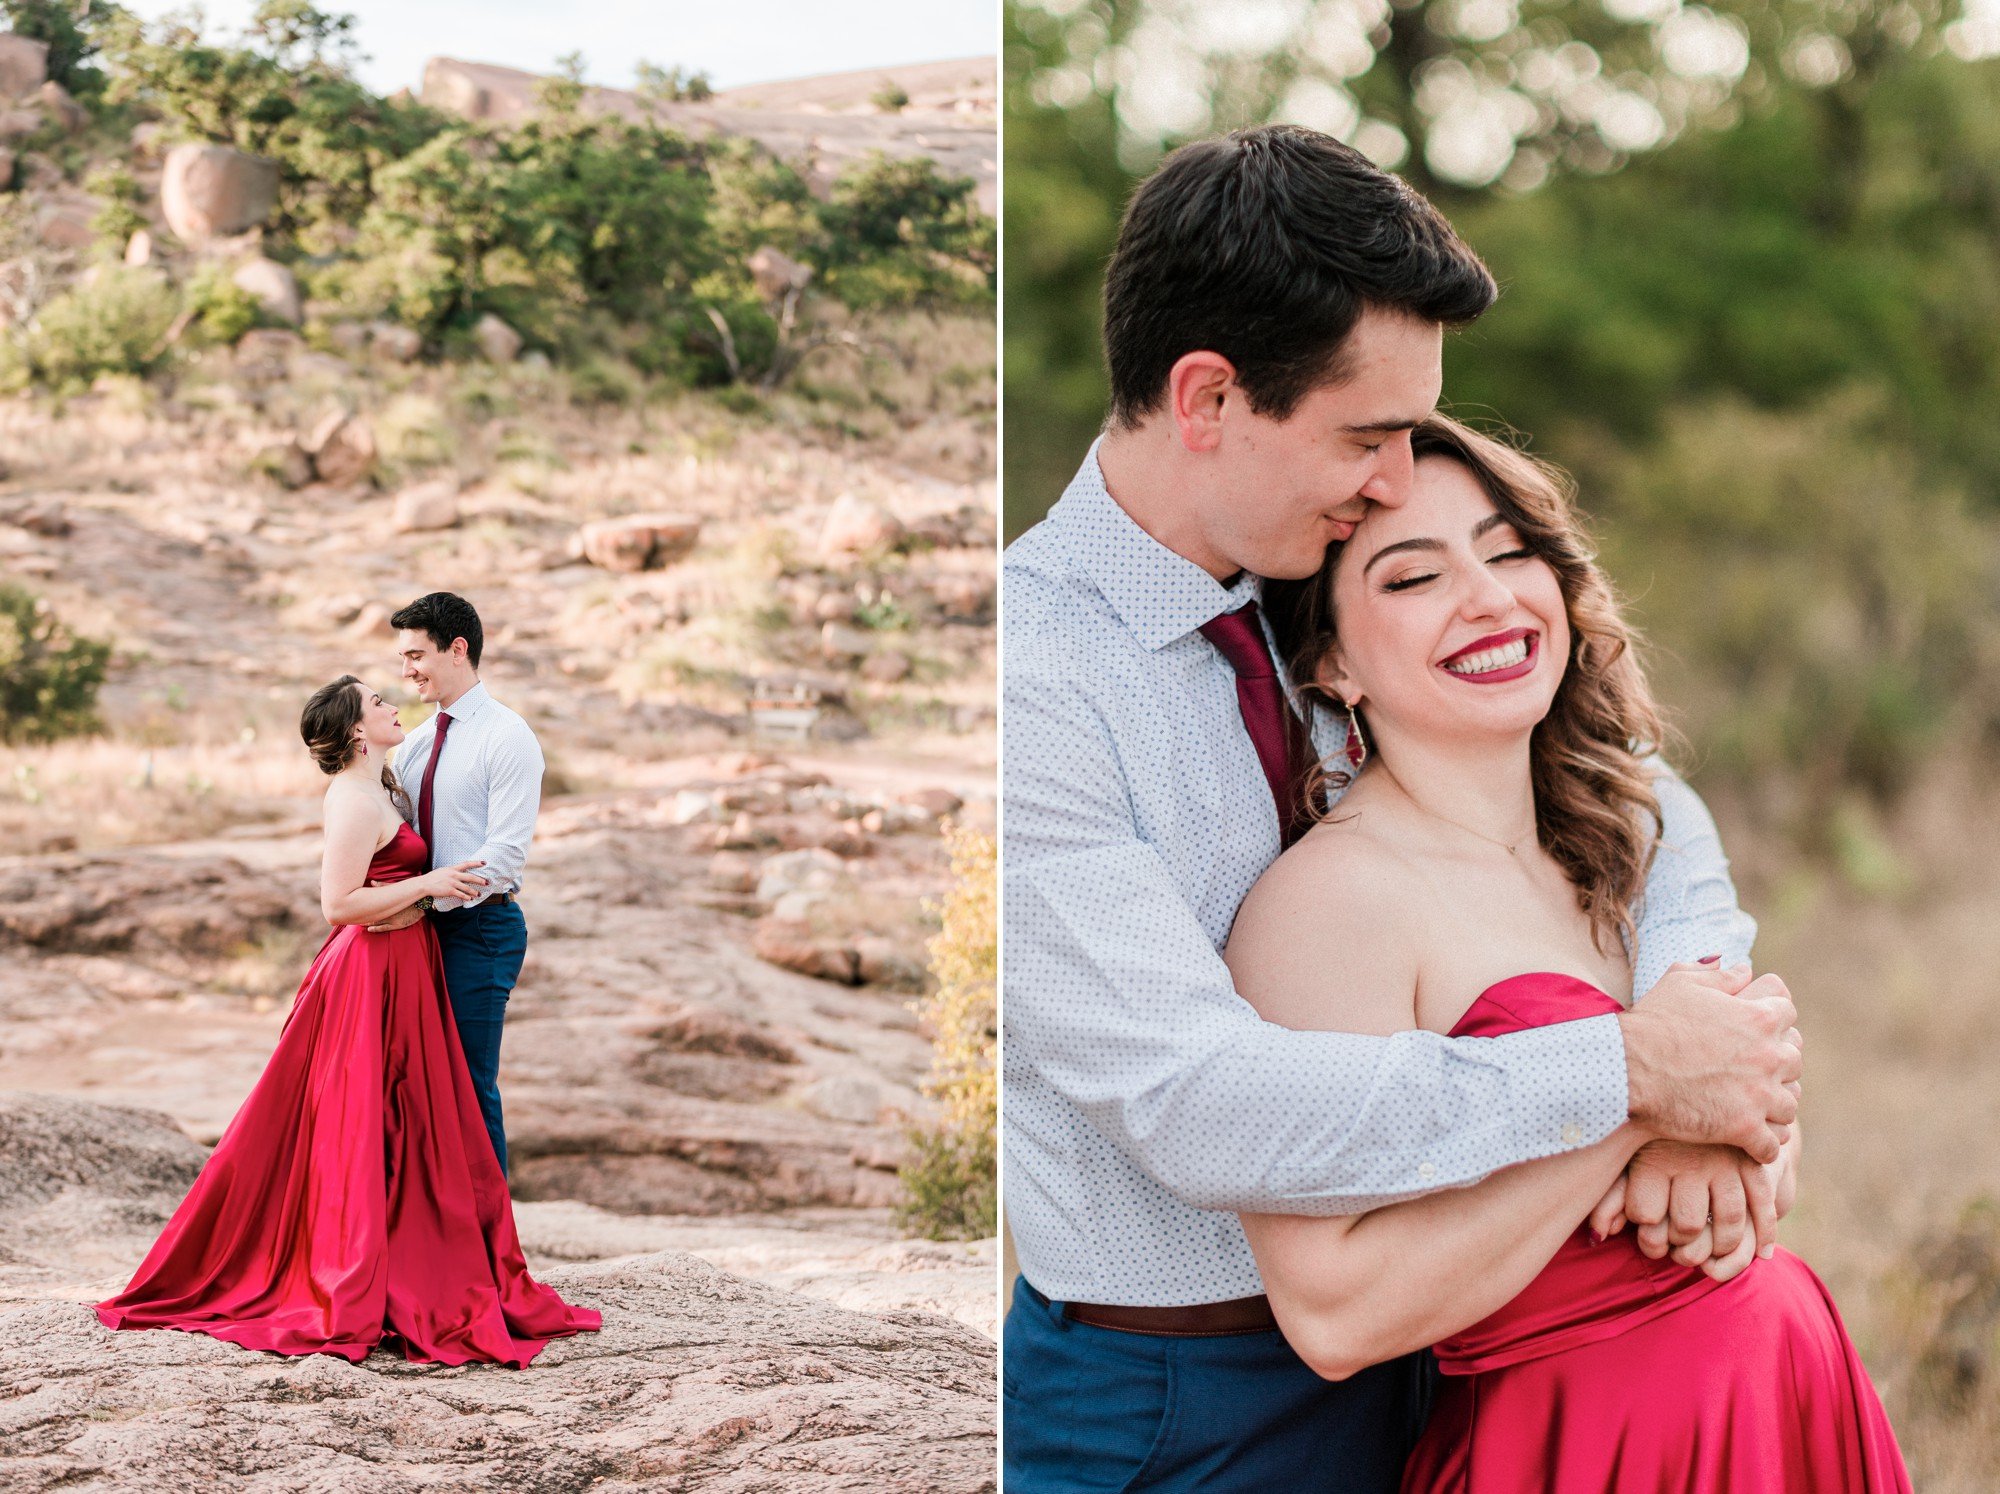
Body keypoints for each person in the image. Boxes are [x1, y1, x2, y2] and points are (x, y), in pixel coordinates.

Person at [1002, 124, 1802, 1490]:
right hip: (1179, 1394)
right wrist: (1625, 1071)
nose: (1397, 478)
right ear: (1208, 400)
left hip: (1466, 1336)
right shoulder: (1032, 686)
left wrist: (1690, 1017)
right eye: (1367, 435)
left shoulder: (1332, 571)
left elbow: (1629, 788)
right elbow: (1203, 1102)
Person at [1226, 414, 1908, 1489]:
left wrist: (1734, 1135)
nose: (1487, 596)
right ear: (1332, 662)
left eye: (1508, 553)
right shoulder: (1326, 909)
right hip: (1579, 1447)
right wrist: (1637, 1100)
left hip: (1781, 1392)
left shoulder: (1626, 837)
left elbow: (1754, 1113)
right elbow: (1331, 1312)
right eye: (1412, 580)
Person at [97, 677, 597, 1365]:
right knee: (362, 1117)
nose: (396, 706)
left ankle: (408, 1259)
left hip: (403, 962)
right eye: (379, 703)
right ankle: (363, 1270)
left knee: (407, 1117)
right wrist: (427, 885)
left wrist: (422, 897)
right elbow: (338, 904)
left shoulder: (384, 783)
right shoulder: (356, 798)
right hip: (371, 972)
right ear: (359, 732)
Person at [364, 591, 542, 1174]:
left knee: (468, 1087)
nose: (406, 669)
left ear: (457, 649)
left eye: (416, 655)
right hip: (415, 934)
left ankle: (491, 1246)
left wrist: (423, 894)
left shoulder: (507, 736)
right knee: (413, 1085)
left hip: (479, 931)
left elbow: (506, 857)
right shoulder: (414, 743)